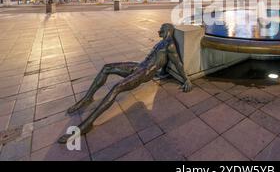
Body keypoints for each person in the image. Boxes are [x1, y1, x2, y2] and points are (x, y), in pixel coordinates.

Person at [58, 23, 192, 143]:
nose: (158, 31)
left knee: (117, 88)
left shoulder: (170, 45)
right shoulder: (162, 43)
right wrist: (162, 72)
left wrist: (186, 79)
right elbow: (162, 60)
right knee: (107, 68)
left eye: (161, 29)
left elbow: (178, 63)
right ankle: (87, 98)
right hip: (139, 66)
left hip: (143, 73)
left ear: (168, 30)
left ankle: (87, 124)